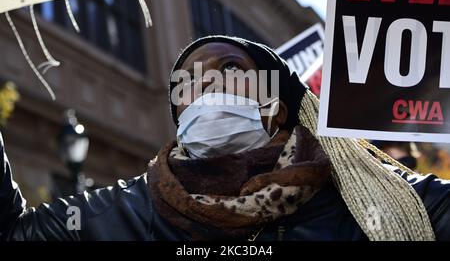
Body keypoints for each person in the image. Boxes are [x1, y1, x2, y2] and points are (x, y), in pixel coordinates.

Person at [1, 35, 449, 241]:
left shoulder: (372, 197)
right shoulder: (123, 214)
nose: (205, 85)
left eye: (230, 68)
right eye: (186, 82)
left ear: (277, 105)